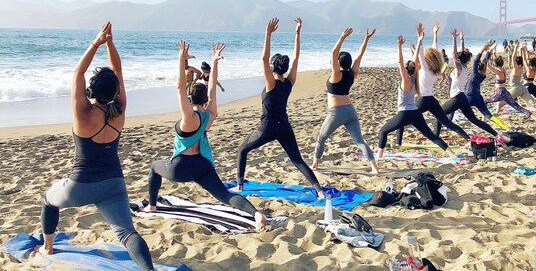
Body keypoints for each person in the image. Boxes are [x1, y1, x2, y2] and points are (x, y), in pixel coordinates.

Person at [38, 22, 154, 270]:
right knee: (127, 234)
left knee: (48, 201)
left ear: (92, 90)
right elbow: (118, 70)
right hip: (113, 185)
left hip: (80, 186)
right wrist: (110, 43)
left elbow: (78, 73)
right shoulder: (119, 110)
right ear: (115, 91)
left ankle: (47, 246)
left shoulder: (83, 113)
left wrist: (96, 42)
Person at [147, 41, 266, 229]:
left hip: (180, 168)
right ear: (205, 100)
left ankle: (152, 207)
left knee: (154, 167)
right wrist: (215, 62)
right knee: (225, 195)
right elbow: (211, 89)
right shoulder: (209, 116)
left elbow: (179, 87)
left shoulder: (189, 118)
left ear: (190, 98)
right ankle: (257, 214)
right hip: (202, 165)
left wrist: (181, 60)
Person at [235, 18, 324, 197]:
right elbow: (297, 57)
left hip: (267, 127)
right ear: (285, 68)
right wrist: (297, 33)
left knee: (242, 150)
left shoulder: (271, 83)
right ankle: (319, 191)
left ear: (273, 67)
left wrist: (268, 34)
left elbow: (263, 57)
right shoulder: (290, 82)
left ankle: (239, 186)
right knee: (297, 160)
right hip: (284, 126)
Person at [376, 27, 457, 161]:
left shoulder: (406, 80)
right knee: (431, 135)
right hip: (415, 113)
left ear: (406, 70)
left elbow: (400, 63)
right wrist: (419, 41)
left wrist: (399, 47)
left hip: (404, 114)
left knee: (383, 131)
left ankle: (379, 157)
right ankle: (451, 154)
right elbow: (414, 61)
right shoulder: (416, 76)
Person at [311, 28, 378, 174]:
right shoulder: (352, 74)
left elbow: (333, 53)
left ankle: (315, 165)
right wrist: (366, 39)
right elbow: (360, 55)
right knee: (360, 141)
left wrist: (342, 37)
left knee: (321, 137)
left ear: (338, 63)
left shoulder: (337, 75)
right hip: (350, 111)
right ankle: (374, 168)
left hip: (336, 113)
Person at [397, 22, 470, 146]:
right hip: (432, 100)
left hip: (422, 100)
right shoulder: (436, 70)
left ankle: (398, 143)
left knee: (401, 120)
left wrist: (420, 38)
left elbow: (420, 53)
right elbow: (434, 49)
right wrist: (435, 34)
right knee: (447, 122)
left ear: (428, 59)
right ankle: (469, 139)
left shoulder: (425, 68)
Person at [434, 29, 498, 138]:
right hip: (462, 98)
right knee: (474, 120)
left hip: (457, 98)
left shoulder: (459, 68)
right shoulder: (463, 67)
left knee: (438, 115)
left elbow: (455, 54)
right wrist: (461, 39)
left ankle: (436, 137)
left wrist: (454, 39)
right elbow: (461, 53)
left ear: (458, 59)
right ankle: (495, 134)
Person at [465, 42, 508, 130]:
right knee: (489, 115)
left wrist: (482, 50)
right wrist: (489, 51)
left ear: (477, 69)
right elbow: (483, 63)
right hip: (478, 98)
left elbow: (476, 61)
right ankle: (504, 126)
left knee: (453, 108)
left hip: (468, 98)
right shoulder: (483, 75)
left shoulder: (474, 74)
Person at [485, 50, 532, 118]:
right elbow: (495, 63)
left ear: (496, 64)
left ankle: (485, 118)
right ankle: (531, 115)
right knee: (517, 107)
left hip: (499, 93)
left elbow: (488, 66)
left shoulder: (498, 72)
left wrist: (488, 53)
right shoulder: (503, 70)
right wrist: (493, 52)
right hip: (505, 92)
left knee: (484, 101)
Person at [509, 43, 536, 118]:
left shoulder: (524, 68)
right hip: (526, 87)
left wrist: (518, 49)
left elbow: (521, 59)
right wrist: (523, 50)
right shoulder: (530, 68)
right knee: (535, 100)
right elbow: (525, 59)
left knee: (503, 101)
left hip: (523, 87)